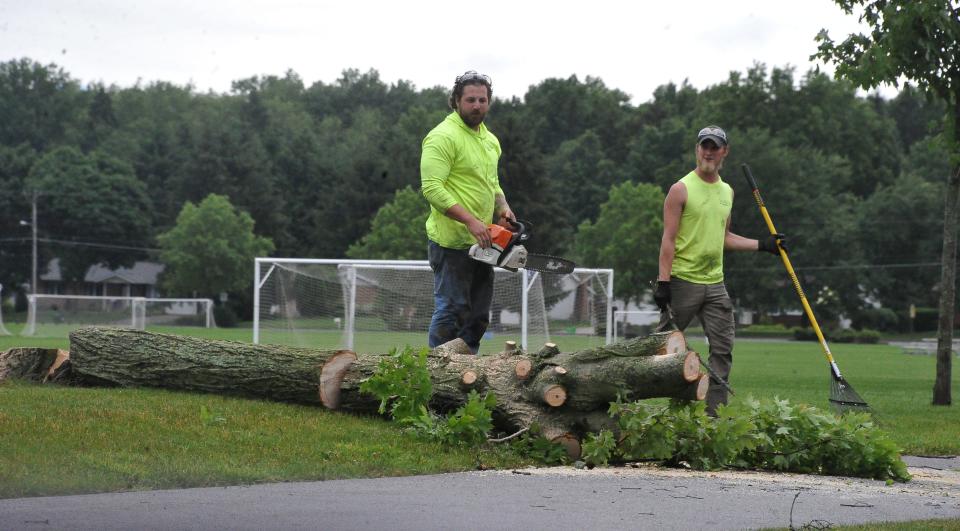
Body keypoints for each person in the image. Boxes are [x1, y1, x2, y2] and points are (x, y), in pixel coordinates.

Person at [654, 125, 785, 416]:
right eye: (704, 146)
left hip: (715, 283)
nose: (708, 152)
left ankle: (716, 420)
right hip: (683, 281)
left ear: (724, 151)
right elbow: (669, 239)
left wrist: (764, 245)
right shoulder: (681, 189)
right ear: (697, 149)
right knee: (660, 349)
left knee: (723, 350)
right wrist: (664, 283)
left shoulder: (727, 191)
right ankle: (628, 403)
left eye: (714, 147)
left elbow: (724, 237)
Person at [420, 70, 515, 354]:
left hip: (483, 242)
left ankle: (465, 371)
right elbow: (432, 188)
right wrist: (471, 220)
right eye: (471, 100)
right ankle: (437, 372)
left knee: (477, 316)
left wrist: (503, 208)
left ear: (489, 102)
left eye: (482, 100)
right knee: (452, 310)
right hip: (451, 243)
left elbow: (492, 183)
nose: (477, 105)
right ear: (456, 102)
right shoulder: (442, 137)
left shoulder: (490, 141)